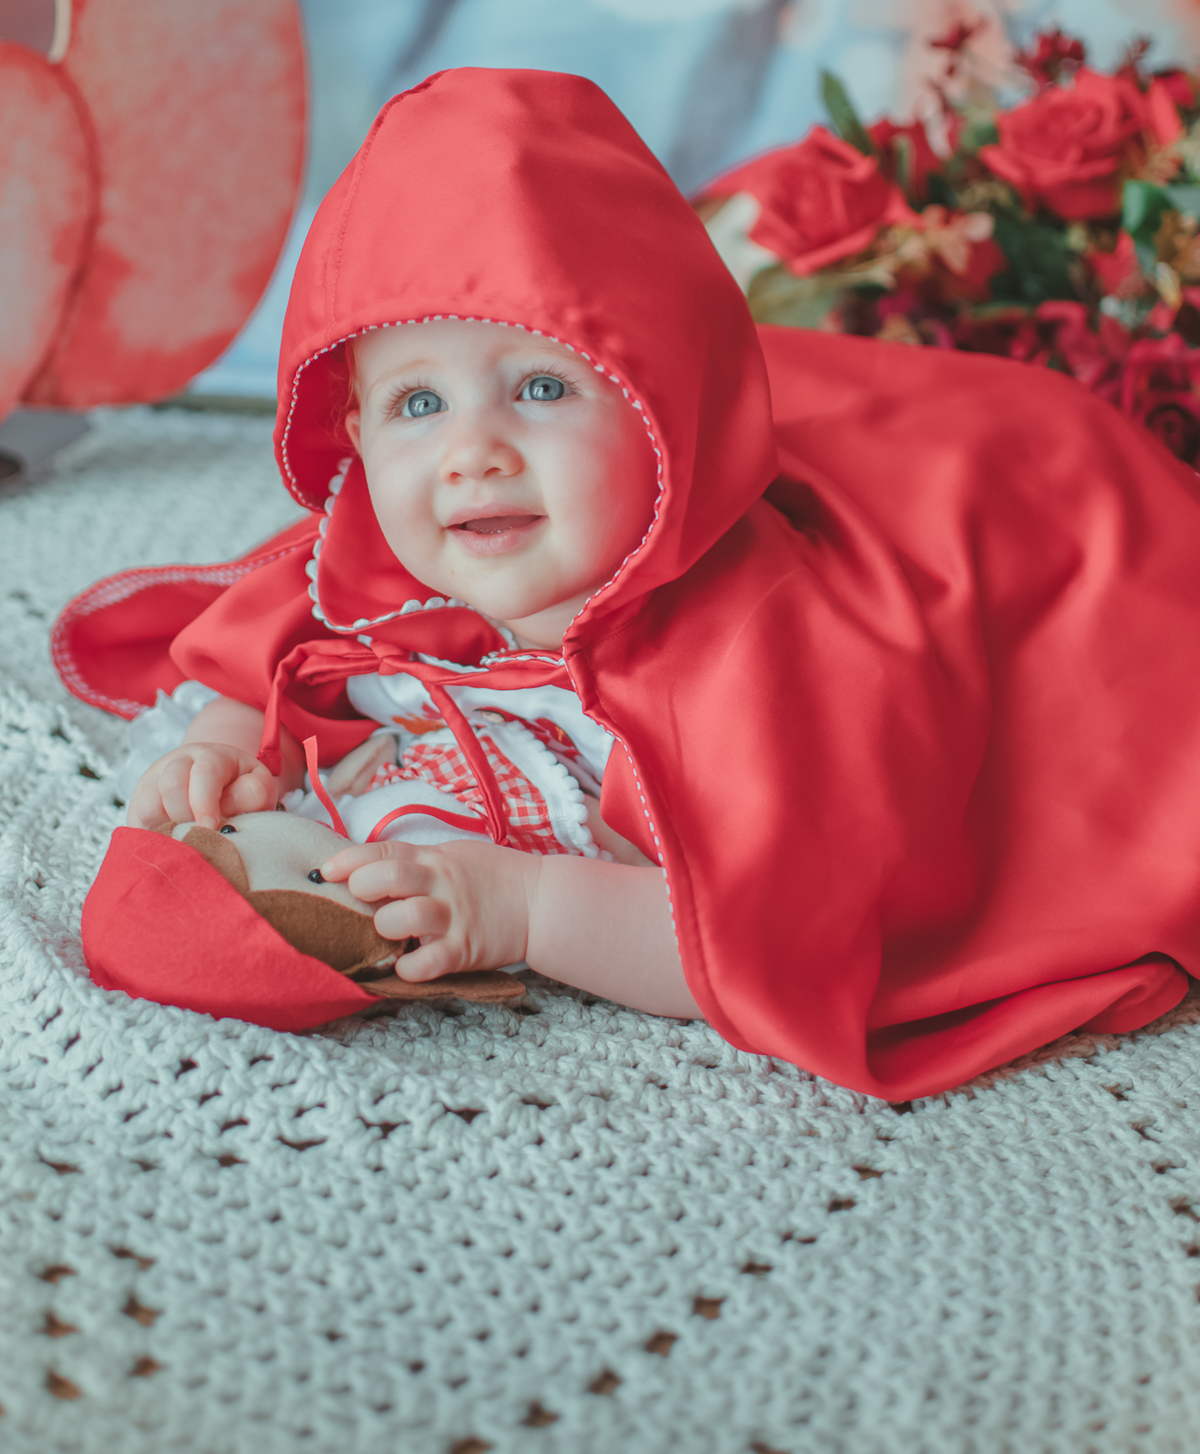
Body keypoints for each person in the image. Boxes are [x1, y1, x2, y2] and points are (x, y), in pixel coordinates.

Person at [54, 67, 1200, 1099]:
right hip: (817, 418)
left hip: (1028, 507)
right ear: (351, 428)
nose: (472, 453)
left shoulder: (755, 655)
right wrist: (222, 735)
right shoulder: (401, 541)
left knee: (1075, 580)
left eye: (544, 388)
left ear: (661, 401)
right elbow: (282, 636)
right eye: (417, 404)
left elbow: (759, 940)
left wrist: (524, 905)